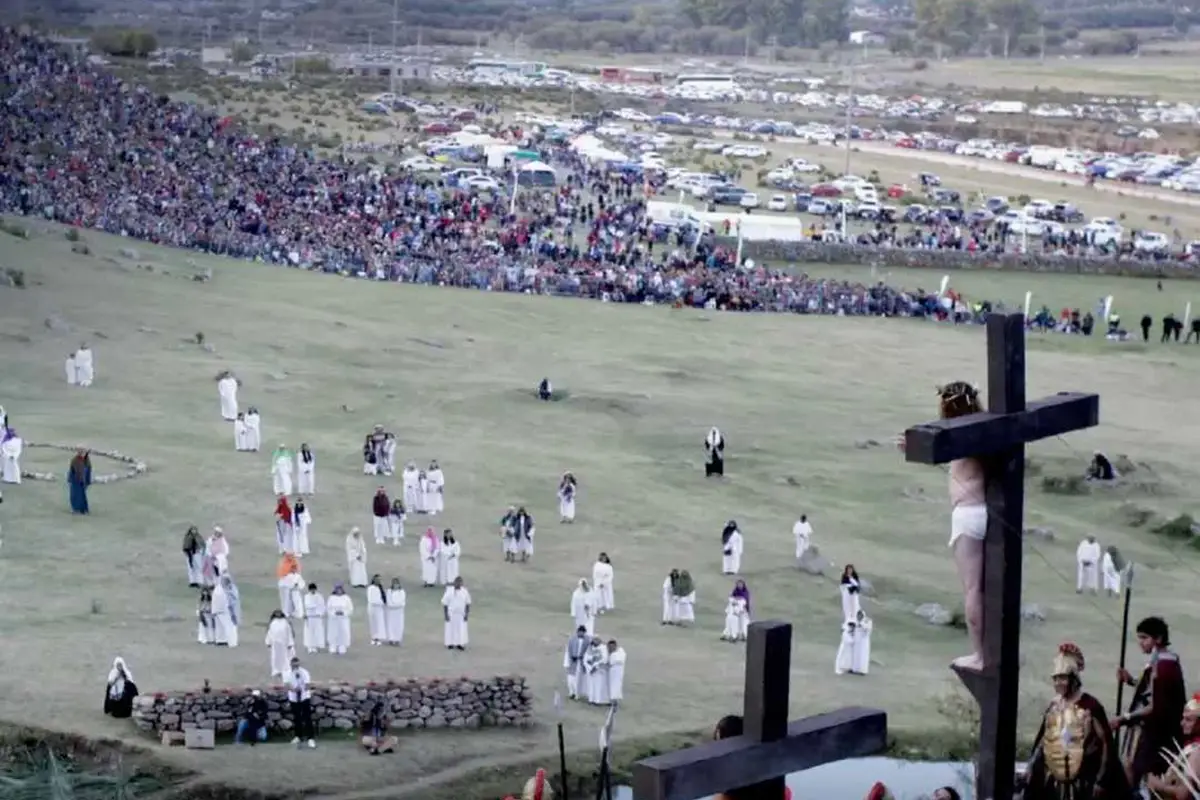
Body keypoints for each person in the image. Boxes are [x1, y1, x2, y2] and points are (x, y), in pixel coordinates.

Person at [903, 381, 987, 672]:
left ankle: (980, 654)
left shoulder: (964, 433)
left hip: (969, 514)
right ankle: (983, 651)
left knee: (973, 589)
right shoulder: (980, 429)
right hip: (980, 512)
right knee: (980, 587)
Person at [1024, 643, 1128, 799]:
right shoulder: (1054, 706)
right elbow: (1043, 741)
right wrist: (1032, 767)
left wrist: (1102, 780)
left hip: (1085, 779)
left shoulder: (1090, 706)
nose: (1059, 683)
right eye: (1056, 678)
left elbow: (1106, 744)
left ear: (1073, 679)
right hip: (1057, 777)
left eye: (1063, 678)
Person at [1115, 616, 1188, 787]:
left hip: (1157, 734)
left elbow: (1155, 706)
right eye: (1139, 637)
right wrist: (1131, 681)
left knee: (1140, 775)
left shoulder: (1164, 666)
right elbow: (1150, 692)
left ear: (1159, 639)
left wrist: (1124, 718)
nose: (1140, 642)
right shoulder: (1159, 661)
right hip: (1149, 731)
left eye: (1144, 637)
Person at [1143, 692, 1200, 800]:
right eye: (1183, 718)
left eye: (1188, 720)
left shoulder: (1197, 753)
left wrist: (1158, 785)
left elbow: (1184, 794)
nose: (1182, 723)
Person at [286, 656, 316, 749]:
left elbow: (307, 685)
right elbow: (287, 684)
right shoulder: (286, 672)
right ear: (291, 664)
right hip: (293, 698)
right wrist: (294, 689)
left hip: (304, 697)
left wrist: (302, 689)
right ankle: (298, 736)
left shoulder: (304, 672)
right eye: (294, 665)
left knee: (307, 718)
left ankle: (310, 738)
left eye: (297, 665)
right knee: (297, 717)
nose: (296, 667)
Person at [442, 576, 471, 651]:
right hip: (451, 614)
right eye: (457, 582)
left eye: (460, 582)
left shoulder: (464, 591)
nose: (458, 584)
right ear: (454, 583)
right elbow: (445, 603)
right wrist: (446, 614)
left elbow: (468, 603)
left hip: (461, 614)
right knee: (450, 629)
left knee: (461, 629)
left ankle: (460, 644)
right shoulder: (449, 591)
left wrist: (467, 614)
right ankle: (450, 643)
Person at [265, 609, 296, 678]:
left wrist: (290, 643)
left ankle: (285, 670)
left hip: (284, 643)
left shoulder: (285, 622)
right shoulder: (273, 622)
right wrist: (268, 642)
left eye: (279, 613)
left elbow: (289, 633)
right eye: (276, 613)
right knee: (275, 657)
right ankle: (276, 671)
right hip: (275, 644)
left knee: (285, 657)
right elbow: (270, 633)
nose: (278, 615)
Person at [563, 626, 590, 700]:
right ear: (577, 632)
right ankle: (571, 692)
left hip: (581, 662)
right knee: (570, 678)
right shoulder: (572, 639)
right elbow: (568, 651)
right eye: (580, 632)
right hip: (572, 661)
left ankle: (577, 694)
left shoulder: (587, 640)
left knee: (578, 679)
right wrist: (568, 660)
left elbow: (588, 651)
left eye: (583, 632)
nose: (581, 633)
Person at [212, 574, 240, 647]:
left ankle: (221, 640)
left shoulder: (220, 589)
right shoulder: (222, 590)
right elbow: (230, 602)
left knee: (220, 626)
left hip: (218, 610)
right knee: (229, 626)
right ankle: (231, 642)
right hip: (224, 610)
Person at [325, 583, 353, 655]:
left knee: (343, 632)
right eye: (337, 589)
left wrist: (343, 613)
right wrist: (334, 613)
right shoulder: (331, 598)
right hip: (334, 619)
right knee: (333, 632)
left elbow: (350, 609)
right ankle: (333, 646)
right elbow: (328, 608)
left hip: (343, 619)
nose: (339, 590)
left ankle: (342, 646)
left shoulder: (346, 598)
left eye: (340, 589)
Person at [276, 553, 304, 617]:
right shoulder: (288, 574)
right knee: (286, 601)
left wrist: (297, 586)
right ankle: (286, 613)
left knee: (297, 602)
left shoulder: (297, 575)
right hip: (286, 588)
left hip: (295, 590)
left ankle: (298, 613)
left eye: (294, 568)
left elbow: (302, 583)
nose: (294, 569)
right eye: (292, 568)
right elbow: (283, 580)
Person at [302, 583, 326, 654]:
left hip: (317, 617)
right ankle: (310, 646)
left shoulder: (319, 596)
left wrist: (320, 612)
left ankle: (315, 646)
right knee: (309, 632)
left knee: (317, 632)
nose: (312, 591)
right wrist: (305, 614)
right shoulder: (306, 596)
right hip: (309, 617)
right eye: (311, 589)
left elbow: (322, 606)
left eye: (313, 589)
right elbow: (306, 606)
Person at [585, 637, 609, 705]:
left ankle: (597, 701)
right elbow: (586, 659)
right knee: (590, 686)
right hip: (590, 670)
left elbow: (604, 659)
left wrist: (596, 666)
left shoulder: (603, 648)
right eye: (594, 641)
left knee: (598, 686)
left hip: (599, 671)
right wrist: (590, 668)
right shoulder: (589, 648)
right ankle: (591, 699)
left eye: (596, 641)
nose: (595, 642)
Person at [67, 449, 92, 514]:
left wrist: (87, 481)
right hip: (75, 480)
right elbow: (76, 472)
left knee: (82, 496)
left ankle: (83, 509)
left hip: (82, 481)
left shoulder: (87, 461)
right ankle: (76, 509)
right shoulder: (75, 460)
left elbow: (88, 471)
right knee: (75, 495)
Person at [366, 574, 388, 646]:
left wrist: (382, 603)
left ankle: (378, 638)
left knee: (379, 623)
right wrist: (380, 603)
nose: (378, 581)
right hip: (373, 608)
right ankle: (373, 638)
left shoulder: (380, 588)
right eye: (377, 579)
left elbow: (383, 598)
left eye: (379, 580)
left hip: (379, 609)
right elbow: (371, 599)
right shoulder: (370, 588)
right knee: (373, 623)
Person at [385, 578, 406, 646]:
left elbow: (402, 603)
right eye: (394, 583)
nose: (396, 585)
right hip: (391, 612)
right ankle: (391, 639)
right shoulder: (389, 591)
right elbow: (389, 602)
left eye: (397, 583)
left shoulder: (402, 592)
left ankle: (397, 639)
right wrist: (393, 605)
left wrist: (396, 605)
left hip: (399, 612)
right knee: (391, 625)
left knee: (399, 625)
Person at [606, 639, 626, 707]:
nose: (610, 648)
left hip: (618, 671)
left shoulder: (620, 652)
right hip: (612, 672)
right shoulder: (610, 653)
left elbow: (619, 660)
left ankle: (614, 701)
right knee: (611, 686)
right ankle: (611, 700)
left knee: (616, 686)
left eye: (612, 646)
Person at [852, 610, 873, 675]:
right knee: (856, 655)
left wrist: (862, 624)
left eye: (860, 615)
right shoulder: (856, 621)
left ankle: (863, 670)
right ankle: (855, 669)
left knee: (863, 656)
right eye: (858, 615)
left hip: (864, 642)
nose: (859, 616)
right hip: (857, 641)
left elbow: (868, 629)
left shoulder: (867, 621)